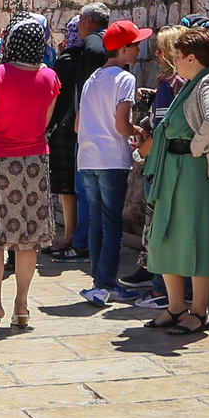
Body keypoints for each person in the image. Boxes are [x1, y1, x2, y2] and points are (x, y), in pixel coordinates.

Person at [0, 14, 60, 334]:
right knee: (27, 240)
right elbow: (44, 123)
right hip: (35, 164)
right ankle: (22, 305)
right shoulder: (50, 78)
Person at [142, 24, 209, 334]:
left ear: (191, 58)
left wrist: (195, 148)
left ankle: (199, 311)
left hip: (195, 174)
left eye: (178, 56)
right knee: (166, 237)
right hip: (174, 170)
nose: (174, 61)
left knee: (197, 239)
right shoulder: (191, 83)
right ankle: (176, 307)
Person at [74, 20, 148, 304]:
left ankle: (98, 282)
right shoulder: (126, 79)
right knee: (112, 223)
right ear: (124, 49)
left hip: (88, 157)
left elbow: (79, 124)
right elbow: (122, 125)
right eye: (136, 45)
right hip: (111, 159)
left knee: (95, 221)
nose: (139, 49)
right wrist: (138, 131)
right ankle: (107, 285)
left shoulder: (93, 78)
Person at [46, 6, 112, 262]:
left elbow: (61, 98)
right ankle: (79, 239)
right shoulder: (97, 55)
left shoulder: (69, 60)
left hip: (69, 130)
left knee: (75, 188)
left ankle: (76, 239)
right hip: (92, 129)